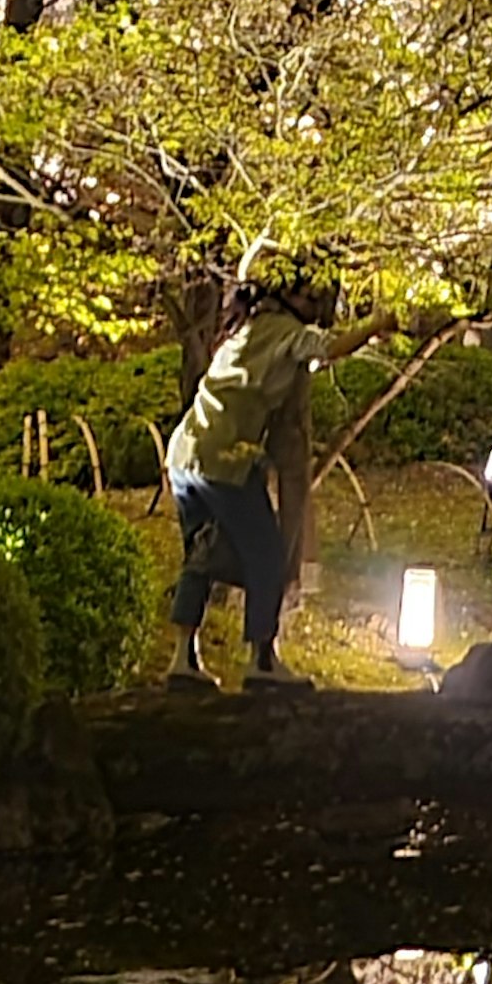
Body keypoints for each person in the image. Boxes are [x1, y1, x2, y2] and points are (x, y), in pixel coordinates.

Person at [164, 272, 338, 683]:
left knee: (202, 553)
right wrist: (379, 327)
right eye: (313, 296)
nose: (318, 306)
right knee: (267, 554)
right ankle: (262, 658)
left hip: (186, 453)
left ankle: (182, 660)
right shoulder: (284, 331)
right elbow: (328, 350)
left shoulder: (246, 327)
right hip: (226, 458)